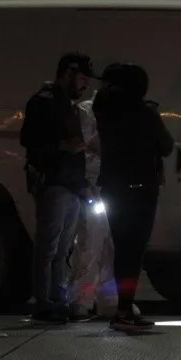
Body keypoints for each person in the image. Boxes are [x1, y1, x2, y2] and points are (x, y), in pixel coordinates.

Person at [93, 63, 175, 331]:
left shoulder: (104, 111)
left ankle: (123, 308)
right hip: (141, 190)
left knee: (121, 251)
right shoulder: (145, 113)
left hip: (114, 189)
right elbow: (166, 146)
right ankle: (125, 309)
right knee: (134, 253)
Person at [19, 53, 94, 323]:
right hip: (53, 183)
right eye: (83, 78)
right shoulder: (44, 102)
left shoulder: (66, 104)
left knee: (63, 249)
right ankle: (44, 302)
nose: (85, 85)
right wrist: (61, 146)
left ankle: (58, 300)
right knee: (48, 247)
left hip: (71, 185)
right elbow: (28, 139)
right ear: (69, 73)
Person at [68, 64, 124, 322]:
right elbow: (90, 146)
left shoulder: (118, 112)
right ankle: (81, 301)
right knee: (90, 242)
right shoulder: (86, 111)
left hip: (112, 185)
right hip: (93, 183)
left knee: (110, 246)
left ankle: (107, 302)